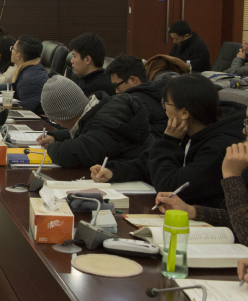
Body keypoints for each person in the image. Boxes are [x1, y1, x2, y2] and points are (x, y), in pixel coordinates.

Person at [91, 74, 245, 207]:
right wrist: (113, 171)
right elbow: (148, 164)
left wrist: (169, 142)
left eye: (166, 104)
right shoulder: (187, 131)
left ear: (184, 112)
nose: (165, 110)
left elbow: (170, 188)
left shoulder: (220, 147)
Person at [154, 129, 248, 246]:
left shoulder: (219, 144)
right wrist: (190, 210)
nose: (244, 131)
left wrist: (232, 176)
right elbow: (237, 217)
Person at [36, 75, 151, 168]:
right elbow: (88, 136)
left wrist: (51, 148)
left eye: (54, 119)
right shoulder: (100, 109)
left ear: (64, 115)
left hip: (145, 183)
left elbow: (69, 154)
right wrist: (56, 137)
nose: (59, 124)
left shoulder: (102, 125)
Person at [105, 54, 168, 139]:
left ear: (133, 80)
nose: (116, 91)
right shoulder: (155, 94)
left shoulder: (134, 103)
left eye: (117, 85)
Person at [0, 35, 49, 114]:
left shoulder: (30, 78)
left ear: (18, 55)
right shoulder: (29, 69)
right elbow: (16, 87)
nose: (11, 51)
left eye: (12, 48)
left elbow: (25, 110)